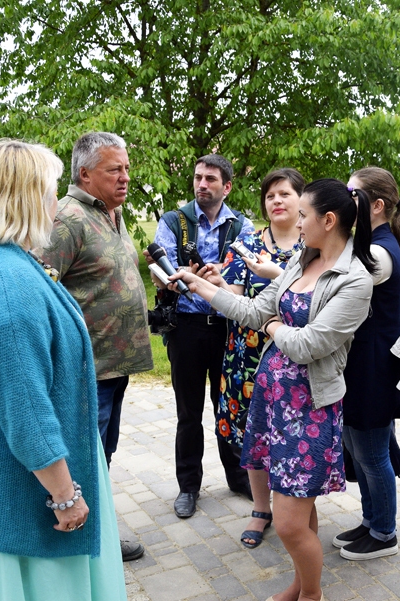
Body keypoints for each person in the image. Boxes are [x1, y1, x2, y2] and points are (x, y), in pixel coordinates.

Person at [0, 139, 126, 600]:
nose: (56, 201)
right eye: (50, 189)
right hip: (13, 497)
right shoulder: (6, 288)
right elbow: (25, 412)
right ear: (27, 197)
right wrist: (66, 496)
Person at [169, 178, 375, 601]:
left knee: (288, 524)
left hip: (309, 411)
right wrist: (199, 285)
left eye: (303, 215)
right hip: (273, 402)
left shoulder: (355, 280)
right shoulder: (302, 261)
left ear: (328, 220)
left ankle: (312, 595)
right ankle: (301, 586)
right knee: (300, 508)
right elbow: (253, 309)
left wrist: (273, 327)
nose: (297, 224)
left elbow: (308, 345)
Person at [41, 131, 153, 562]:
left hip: (113, 366)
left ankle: (96, 534)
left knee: (102, 454)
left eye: (126, 168)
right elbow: (42, 292)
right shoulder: (67, 220)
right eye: (114, 170)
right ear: (85, 174)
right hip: (87, 369)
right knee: (86, 456)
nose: (125, 177)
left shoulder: (111, 211)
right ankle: (81, 543)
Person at [153, 154, 255, 519]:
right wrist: (177, 278)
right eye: (198, 177)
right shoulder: (173, 221)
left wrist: (216, 278)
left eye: (210, 179)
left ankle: (238, 478)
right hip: (186, 327)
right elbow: (159, 269)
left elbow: (247, 274)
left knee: (229, 408)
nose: (202, 184)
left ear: (227, 186)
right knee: (188, 412)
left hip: (229, 328)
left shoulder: (242, 226)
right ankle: (188, 487)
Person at [212, 168, 305, 548]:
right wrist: (215, 285)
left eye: (284, 194)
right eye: (270, 196)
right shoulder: (247, 244)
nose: (276, 201)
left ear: (302, 199)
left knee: (293, 437)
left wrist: (278, 275)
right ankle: (261, 509)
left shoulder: (315, 244)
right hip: (247, 357)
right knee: (253, 436)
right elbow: (233, 301)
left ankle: (296, 512)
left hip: (296, 358)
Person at [331, 166, 400, 560]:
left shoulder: (379, 253)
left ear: (378, 205)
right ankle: (371, 521)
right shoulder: (372, 244)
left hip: (373, 368)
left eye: (354, 194)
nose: (346, 200)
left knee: (372, 452)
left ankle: (384, 533)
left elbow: (333, 287)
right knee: (357, 444)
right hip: (361, 364)